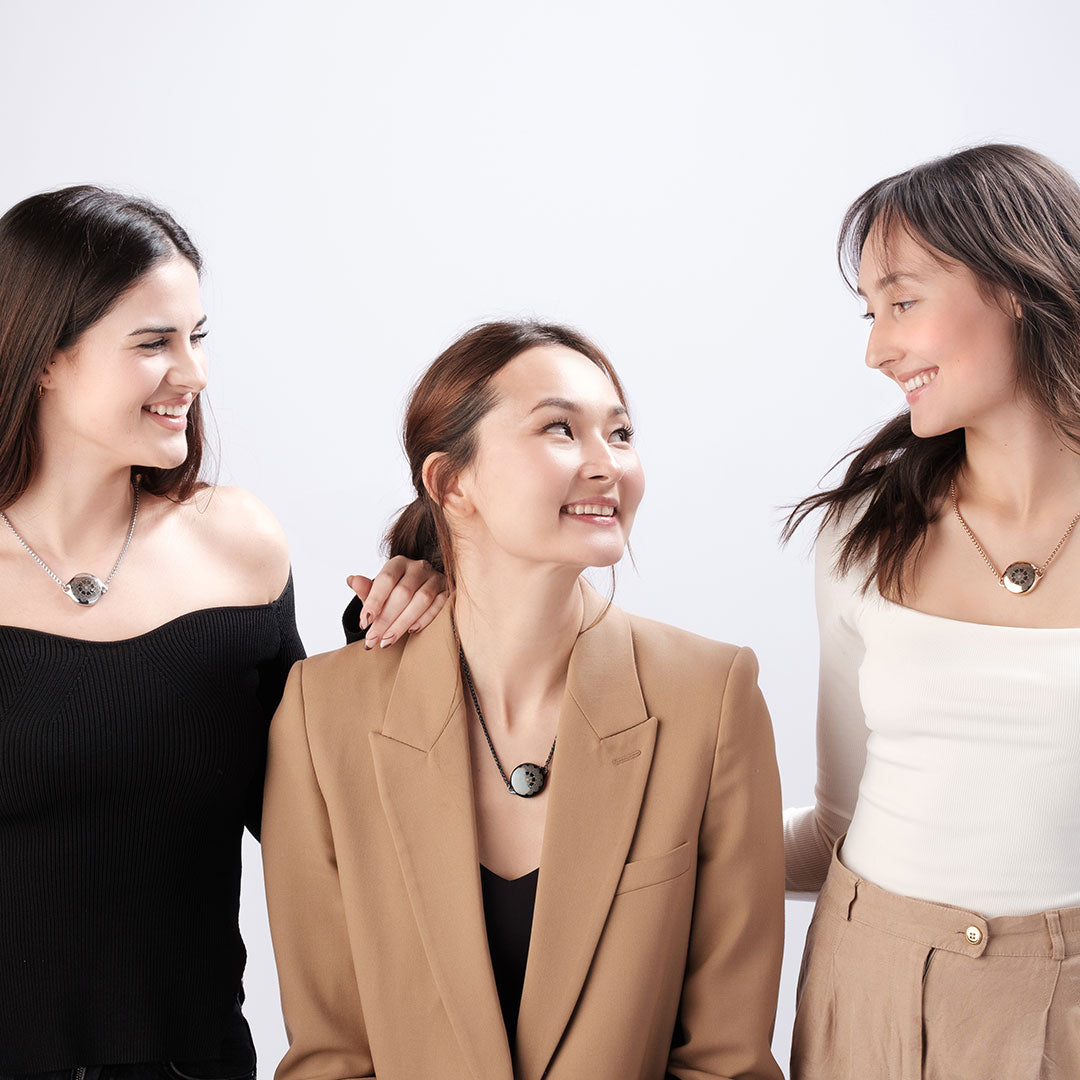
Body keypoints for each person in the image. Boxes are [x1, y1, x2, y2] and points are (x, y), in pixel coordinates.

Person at [261, 320, 786, 1080]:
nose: (608, 464)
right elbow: (331, 1053)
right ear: (451, 483)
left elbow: (726, 1061)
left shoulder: (711, 695)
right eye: (561, 430)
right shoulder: (323, 711)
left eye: (622, 433)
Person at [0, 185, 441, 1080]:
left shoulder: (237, 545)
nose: (193, 375)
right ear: (45, 354)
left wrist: (407, 620)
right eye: (153, 342)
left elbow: (326, 815)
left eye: (196, 338)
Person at [783, 145, 1080, 1078]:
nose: (877, 349)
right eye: (871, 314)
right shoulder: (861, 537)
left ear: (1018, 282)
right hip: (867, 988)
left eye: (902, 302)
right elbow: (837, 826)